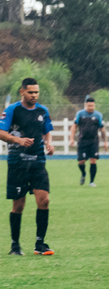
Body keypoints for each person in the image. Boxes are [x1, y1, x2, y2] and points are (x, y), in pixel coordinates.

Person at [0, 78, 56, 255]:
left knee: (44, 200)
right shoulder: (12, 110)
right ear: (22, 91)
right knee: (19, 205)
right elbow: (1, 132)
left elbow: (47, 130)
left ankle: (40, 244)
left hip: (38, 162)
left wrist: (49, 143)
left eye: (36, 92)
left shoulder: (42, 110)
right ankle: (15, 245)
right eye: (30, 92)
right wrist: (18, 140)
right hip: (17, 163)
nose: (34, 95)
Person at [69, 94, 107, 186]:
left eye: (92, 106)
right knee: (81, 162)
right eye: (89, 106)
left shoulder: (98, 115)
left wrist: (105, 141)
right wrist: (72, 139)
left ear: (94, 105)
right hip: (82, 141)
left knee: (93, 161)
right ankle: (83, 173)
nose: (91, 107)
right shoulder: (80, 114)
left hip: (94, 142)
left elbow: (102, 129)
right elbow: (74, 127)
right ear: (85, 105)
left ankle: (91, 181)